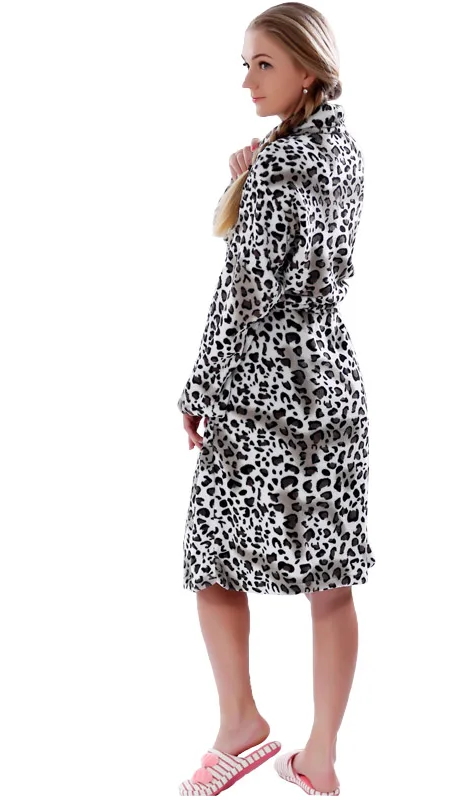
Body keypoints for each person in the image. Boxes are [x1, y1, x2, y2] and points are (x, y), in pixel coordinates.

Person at [176, 3, 375, 796]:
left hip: (262, 387)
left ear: (308, 69)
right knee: (331, 577)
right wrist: (251, 176)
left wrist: (198, 387)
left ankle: (241, 724)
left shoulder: (278, 165)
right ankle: (319, 758)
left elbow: (247, 294)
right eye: (245, 64)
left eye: (262, 63)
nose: (247, 80)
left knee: (212, 554)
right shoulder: (343, 150)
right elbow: (309, 259)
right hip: (330, 379)